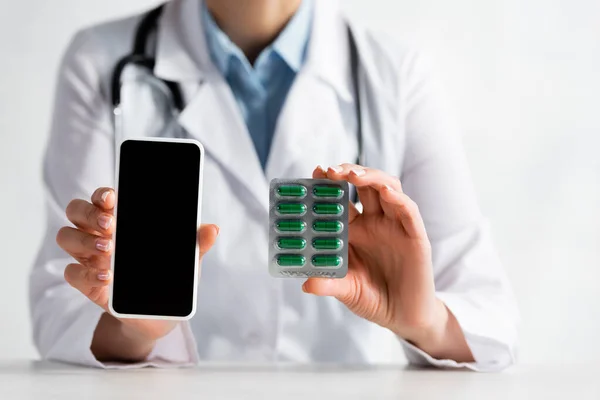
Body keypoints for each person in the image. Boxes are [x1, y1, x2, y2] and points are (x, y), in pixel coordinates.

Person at [30, 0, 518, 370]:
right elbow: (60, 306)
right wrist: (132, 328)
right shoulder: (99, 62)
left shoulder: (395, 75)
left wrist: (425, 320)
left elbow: (489, 315)